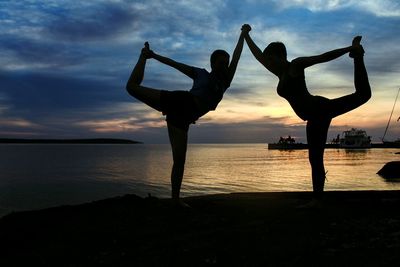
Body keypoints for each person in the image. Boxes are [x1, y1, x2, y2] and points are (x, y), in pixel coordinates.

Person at [242, 24, 371, 198]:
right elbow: (259, 56)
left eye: (271, 59)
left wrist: (350, 48)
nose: (269, 63)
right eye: (269, 60)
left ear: (281, 56)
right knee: (314, 158)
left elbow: (323, 57)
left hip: (320, 110)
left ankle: (357, 54)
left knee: (363, 95)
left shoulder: (295, 65)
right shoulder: (279, 72)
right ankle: (317, 199)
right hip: (312, 117)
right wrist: (246, 35)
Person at [126, 28, 247, 206]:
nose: (224, 66)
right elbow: (175, 64)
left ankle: (175, 200)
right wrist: (153, 55)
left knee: (179, 160)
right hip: (179, 101)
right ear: (213, 64)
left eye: (226, 63)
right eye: (221, 63)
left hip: (182, 118)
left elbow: (237, 55)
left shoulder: (225, 82)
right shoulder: (200, 73)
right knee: (132, 88)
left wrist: (243, 34)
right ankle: (143, 56)